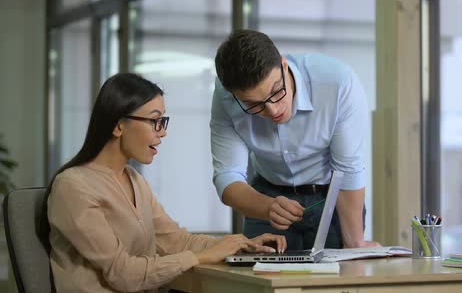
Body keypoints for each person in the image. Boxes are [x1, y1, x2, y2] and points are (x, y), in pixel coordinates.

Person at [43, 73, 286, 293]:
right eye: (154, 121)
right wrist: (200, 257)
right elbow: (122, 273)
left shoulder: (135, 180)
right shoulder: (73, 186)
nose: (163, 132)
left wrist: (238, 245)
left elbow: (176, 241)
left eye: (163, 121)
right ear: (118, 125)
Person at [210, 29, 379, 250]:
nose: (272, 110)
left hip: (330, 197)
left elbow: (348, 170)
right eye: (253, 104)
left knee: (337, 278)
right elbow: (227, 175)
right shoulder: (225, 96)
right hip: (266, 195)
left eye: (277, 91)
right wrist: (266, 206)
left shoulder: (337, 83)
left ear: (284, 65)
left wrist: (355, 244)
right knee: (257, 279)